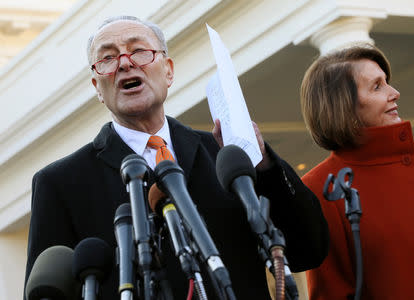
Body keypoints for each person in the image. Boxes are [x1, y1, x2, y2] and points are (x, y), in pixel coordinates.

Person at [24, 16, 329, 300]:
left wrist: (263, 164)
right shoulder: (60, 184)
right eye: (108, 58)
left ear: (168, 70)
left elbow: (307, 251)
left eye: (139, 51)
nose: (125, 64)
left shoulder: (224, 155)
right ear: (97, 89)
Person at [300, 44, 414, 299]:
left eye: (387, 82)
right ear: (343, 106)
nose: (395, 93)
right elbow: (332, 293)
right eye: (377, 86)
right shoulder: (321, 186)